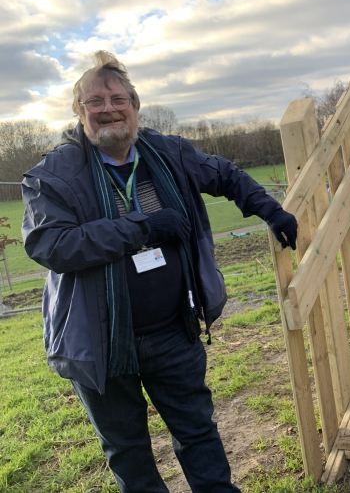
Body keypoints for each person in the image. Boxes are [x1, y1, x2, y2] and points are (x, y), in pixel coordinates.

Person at [22, 51, 299, 493]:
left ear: (135, 105)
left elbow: (225, 174)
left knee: (197, 432)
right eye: (95, 101)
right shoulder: (53, 175)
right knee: (127, 449)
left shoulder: (168, 153)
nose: (108, 108)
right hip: (100, 342)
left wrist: (270, 210)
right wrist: (143, 227)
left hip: (173, 331)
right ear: (79, 111)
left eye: (117, 98)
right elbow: (52, 244)